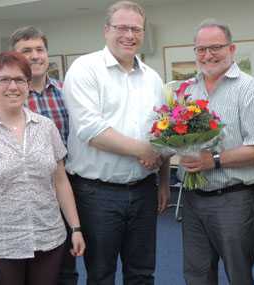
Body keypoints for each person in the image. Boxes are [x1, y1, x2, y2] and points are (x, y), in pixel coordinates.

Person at [63, 1, 170, 284]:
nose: (129, 35)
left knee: (142, 273)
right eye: (122, 27)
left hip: (144, 192)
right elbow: (91, 130)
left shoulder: (153, 79)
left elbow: (161, 132)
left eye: (136, 29)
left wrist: (162, 181)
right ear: (106, 30)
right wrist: (142, 150)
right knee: (101, 274)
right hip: (97, 195)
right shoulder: (85, 69)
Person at [0, 51, 85, 285]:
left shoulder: (45, 127)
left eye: (20, 80)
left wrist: (75, 227)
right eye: (4, 79)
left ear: (28, 85)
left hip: (48, 238)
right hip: (1, 245)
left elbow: (60, 181)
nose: (13, 86)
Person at [178, 19, 254, 285]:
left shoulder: (249, 89)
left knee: (238, 275)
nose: (208, 55)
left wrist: (214, 161)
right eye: (201, 49)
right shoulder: (187, 90)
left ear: (231, 49)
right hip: (193, 198)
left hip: (233, 200)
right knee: (196, 275)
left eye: (215, 47)